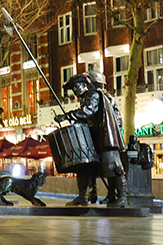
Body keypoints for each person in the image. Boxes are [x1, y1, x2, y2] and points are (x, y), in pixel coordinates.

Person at [55, 70, 128, 207]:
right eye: (73, 88)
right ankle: (84, 197)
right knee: (84, 168)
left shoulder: (93, 95)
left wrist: (67, 116)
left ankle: (122, 198)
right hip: (96, 137)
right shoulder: (100, 97)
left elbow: (88, 111)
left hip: (104, 137)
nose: (75, 90)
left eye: (78, 86)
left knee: (113, 168)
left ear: (87, 85)